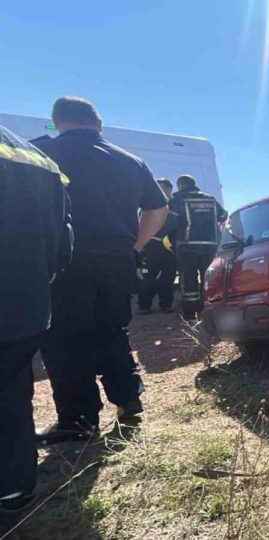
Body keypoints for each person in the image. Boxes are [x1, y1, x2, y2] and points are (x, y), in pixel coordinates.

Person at [33, 97, 168, 444]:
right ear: (99, 123)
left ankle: (78, 420)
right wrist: (135, 246)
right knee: (112, 329)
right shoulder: (130, 160)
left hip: (65, 261)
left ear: (57, 120)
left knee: (65, 340)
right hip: (118, 260)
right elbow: (157, 208)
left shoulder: (43, 153)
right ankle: (128, 400)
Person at [0, 125, 72, 529]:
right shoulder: (41, 161)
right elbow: (64, 246)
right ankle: (13, 488)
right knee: (11, 396)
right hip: (25, 306)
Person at [169, 174, 227, 319]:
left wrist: (172, 241)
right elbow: (223, 215)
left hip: (187, 245)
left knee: (189, 278)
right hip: (210, 245)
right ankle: (209, 308)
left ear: (181, 185)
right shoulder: (210, 199)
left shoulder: (177, 200)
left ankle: (190, 311)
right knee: (208, 278)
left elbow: (171, 223)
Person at [138, 178, 177, 314]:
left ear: (169, 189)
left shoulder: (176, 205)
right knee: (147, 277)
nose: (160, 190)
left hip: (170, 248)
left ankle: (166, 304)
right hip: (151, 247)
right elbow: (140, 225)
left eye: (163, 187)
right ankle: (144, 305)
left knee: (168, 278)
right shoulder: (148, 205)